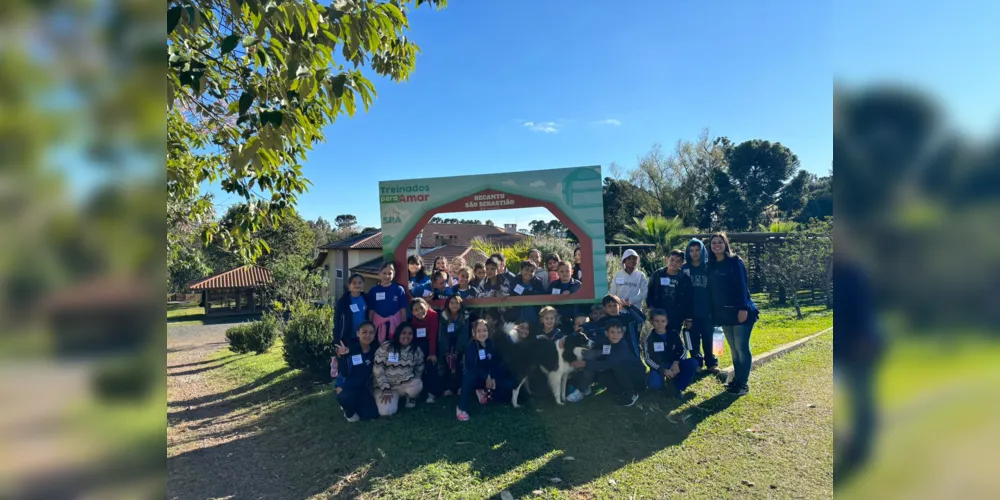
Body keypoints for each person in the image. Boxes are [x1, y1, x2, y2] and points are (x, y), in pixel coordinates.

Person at [707, 232, 759, 396]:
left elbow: (743, 286)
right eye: (713, 243)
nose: (716, 245)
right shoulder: (712, 265)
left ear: (725, 244)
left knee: (742, 347)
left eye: (719, 242)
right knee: (734, 350)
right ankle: (737, 380)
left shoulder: (735, 261)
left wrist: (743, 307)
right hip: (724, 314)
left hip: (740, 312)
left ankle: (743, 384)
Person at [570, 319, 644, 406]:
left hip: (636, 378)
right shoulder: (606, 341)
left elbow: (608, 364)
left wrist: (584, 364)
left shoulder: (622, 345)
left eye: (618, 332)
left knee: (618, 366)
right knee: (603, 376)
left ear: (622, 334)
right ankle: (621, 390)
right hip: (621, 376)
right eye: (612, 332)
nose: (615, 335)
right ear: (606, 333)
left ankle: (632, 392)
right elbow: (593, 341)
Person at [456, 319, 513, 421]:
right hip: (476, 377)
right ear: (474, 333)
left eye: (484, 330)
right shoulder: (472, 347)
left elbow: (494, 362)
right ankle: (461, 408)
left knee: (505, 381)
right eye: (479, 331)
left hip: (488, 377)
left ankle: (483, 391)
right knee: (469, 376)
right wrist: (486, 377)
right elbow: (472, 367)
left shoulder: (490, 343)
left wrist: (493, 377)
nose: (482, 333)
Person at [372, 322, 425, 416]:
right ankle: (392, 399)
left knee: (418, 384)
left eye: (410, 333)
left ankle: (410, 397)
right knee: (386, 412)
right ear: (398, 333)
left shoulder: (415, 349)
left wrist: (416, 377)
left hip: (404, 385)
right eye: (403, 333)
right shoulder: (386, 346)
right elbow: (377, 369)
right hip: (385, 387)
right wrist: (385, 388)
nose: (406, 336)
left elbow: (420, 366)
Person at [682, 238, 718, 373]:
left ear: (702, 250)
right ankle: (697, 362)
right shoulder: (685, 269)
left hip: (707, 311)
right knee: (693, 338)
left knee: (709, 338)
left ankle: (711, 362)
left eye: (697, 250)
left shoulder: (709, 267)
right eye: (691, 250)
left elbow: (715, 290)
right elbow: (683, 293)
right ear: (688, 252)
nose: (695, 253)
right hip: (691, 312)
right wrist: (686, 315)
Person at [644, 309, 697, 400]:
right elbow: (648, 358)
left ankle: (677, 387)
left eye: (663, 321)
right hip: (660, 366)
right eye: (656, 321)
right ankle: (663, 385)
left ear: (667, 322)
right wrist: (663, 370)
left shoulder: (673, 333)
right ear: (652, 322)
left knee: (693, 362)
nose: (659, 324)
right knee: (654, 384)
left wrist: (676, 362)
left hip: (674, 364)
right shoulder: (649, 337)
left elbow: (683, 350)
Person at [332, 321, 380, 421]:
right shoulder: (350, 349)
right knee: (348, 403)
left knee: (372, 415)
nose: (368, 335)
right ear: (358, 333)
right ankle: (348, 412)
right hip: (345, 387)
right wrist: (344, 357)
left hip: (361, 387)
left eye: (371, 332)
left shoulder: (374, 350)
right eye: (364, 332)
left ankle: (358, 405)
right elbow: (344, 372)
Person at [647, 249, 694, 337]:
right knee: (659, 338)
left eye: (678, 261)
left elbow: (689, 299)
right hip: (659, 314)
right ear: (667, 259)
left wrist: (688, 318)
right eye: (672, 260)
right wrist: (651, 309)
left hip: (676, 315)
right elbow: (650, 292)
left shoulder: (684, 278)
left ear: (681, 264)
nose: (674, 263)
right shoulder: (658, 274)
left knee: (673, 338)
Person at [408, 298, 441, 404]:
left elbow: (433, 335)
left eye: (421, 308)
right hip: (419, 345)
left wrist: (432, 353)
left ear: (426, 306)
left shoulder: (433, 315)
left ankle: (432, 393)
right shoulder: (413, 320)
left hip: (433, 344)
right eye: (416, 310)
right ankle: (416, 391)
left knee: (431, 364)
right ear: (412, 312)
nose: (419, 312)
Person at [438, 295, 470, 397]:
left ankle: (459, 387)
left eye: (457, 303)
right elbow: (442, 334)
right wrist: (447, 352)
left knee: (460, 363)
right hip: (447, 342)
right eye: (451, 302)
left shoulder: (465, 315)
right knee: (445, 363)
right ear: (448, 304)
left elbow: (464, 334)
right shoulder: (444, 315)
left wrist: (457, 351)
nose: (454, 305)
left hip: (460, 344)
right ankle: (447, 388)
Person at [367, 262, 408, 343]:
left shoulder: (399, 289)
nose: (387, 276)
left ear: (394, 274)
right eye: (384, 273)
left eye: (390, 273)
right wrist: (370, 326)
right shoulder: (373, 290)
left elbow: (403, 310)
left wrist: (403, 327)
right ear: (379, 274)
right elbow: (371, 310)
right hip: (378, 326)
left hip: (395, 325)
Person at [548, 260, 582, 331]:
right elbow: (548, 299)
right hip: (558, 319)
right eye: (562, 271)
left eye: (567, 271)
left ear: (572, 271)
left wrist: (570, 291)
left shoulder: (577, 284)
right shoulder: (553, 285)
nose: (565, 273)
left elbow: (578, 290)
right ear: (557, 272)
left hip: (574, 317)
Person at [334, 273, 368, 345]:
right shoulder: (343, 301)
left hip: (365, 337)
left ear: (363, 285)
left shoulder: (366, 298)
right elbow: (337, 323)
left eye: (360, 283)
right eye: (354, 283)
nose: (357, 285)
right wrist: (337, 342)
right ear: (349, 285)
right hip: (349, 338)